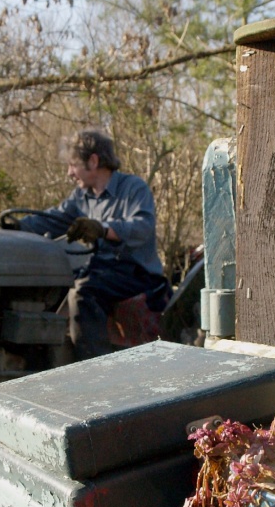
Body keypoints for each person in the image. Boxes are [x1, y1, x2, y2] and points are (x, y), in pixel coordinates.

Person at [13, 129, 168, 360]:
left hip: (136, 274)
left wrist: (103, 229)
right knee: (51, 285)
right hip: (101, 271)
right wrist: (14, 228)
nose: (69, 173)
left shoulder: (133, 188)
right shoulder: (81, 198)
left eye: (73, 165)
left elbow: (142, 227)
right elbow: (53, 218)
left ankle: (94, 367)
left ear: (93, 161)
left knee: (83, 293)